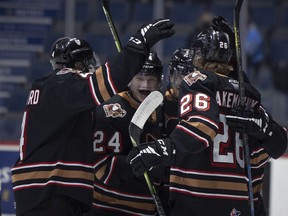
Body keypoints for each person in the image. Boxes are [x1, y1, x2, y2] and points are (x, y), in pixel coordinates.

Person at [10, 18, 175, 216]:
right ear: (79, 63)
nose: (92, 68)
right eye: (89, 63)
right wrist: (138, 44)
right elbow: (105, 81)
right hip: (50, 189)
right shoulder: (63, 82)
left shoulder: (50, 88)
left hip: (43, 190)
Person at [127, 16, 287, 215]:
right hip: (237, 203)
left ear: (198, 57)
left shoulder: (198, 80)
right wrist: (266, 128)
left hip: (196, 199)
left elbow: (201, 127)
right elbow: (275, 147)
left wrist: (164, 148)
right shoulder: (248, 94)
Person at [91, 51, 164, 216]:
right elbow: (101, 165)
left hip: (145, 209)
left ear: (160, 83)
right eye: (139, 78)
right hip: (107, 206)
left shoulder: (163, 113)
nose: (145, 85)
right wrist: (138, 164)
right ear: (129, 81)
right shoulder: (111, 110)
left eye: (151, 80)